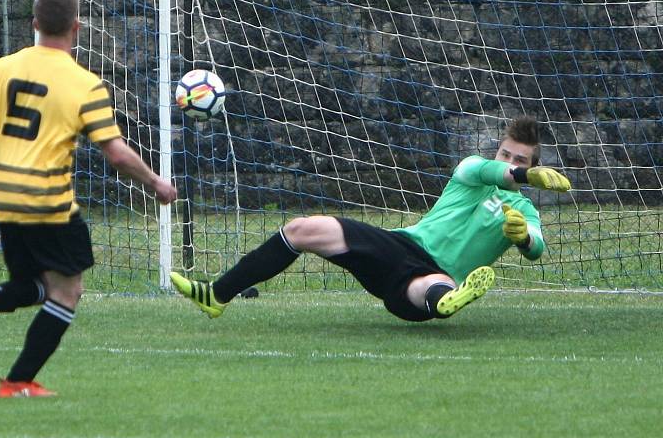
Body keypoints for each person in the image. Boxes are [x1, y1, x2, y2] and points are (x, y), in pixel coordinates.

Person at [0, 0, 177, 398]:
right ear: (77, 28)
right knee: (68, 292)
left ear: (34, 25)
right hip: (46, 200)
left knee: (33, 285)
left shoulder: (2, 68)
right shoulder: (84, 84)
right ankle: (17, 379)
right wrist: (157, 182)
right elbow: (117, 153)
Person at [171, 117, 570, 322]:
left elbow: (537, 245)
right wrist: (522, 175)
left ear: (536, 163)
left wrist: (522, 238)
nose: (510, 162)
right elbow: (487, 172)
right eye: (506, 154)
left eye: (522, 160)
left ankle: (446, 302)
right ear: (496, 152)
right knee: (303, 228)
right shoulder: (472, 171)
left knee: (433, 287)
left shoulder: (526, 210)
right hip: (397, 245)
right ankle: (217, 295)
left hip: (434, 272)